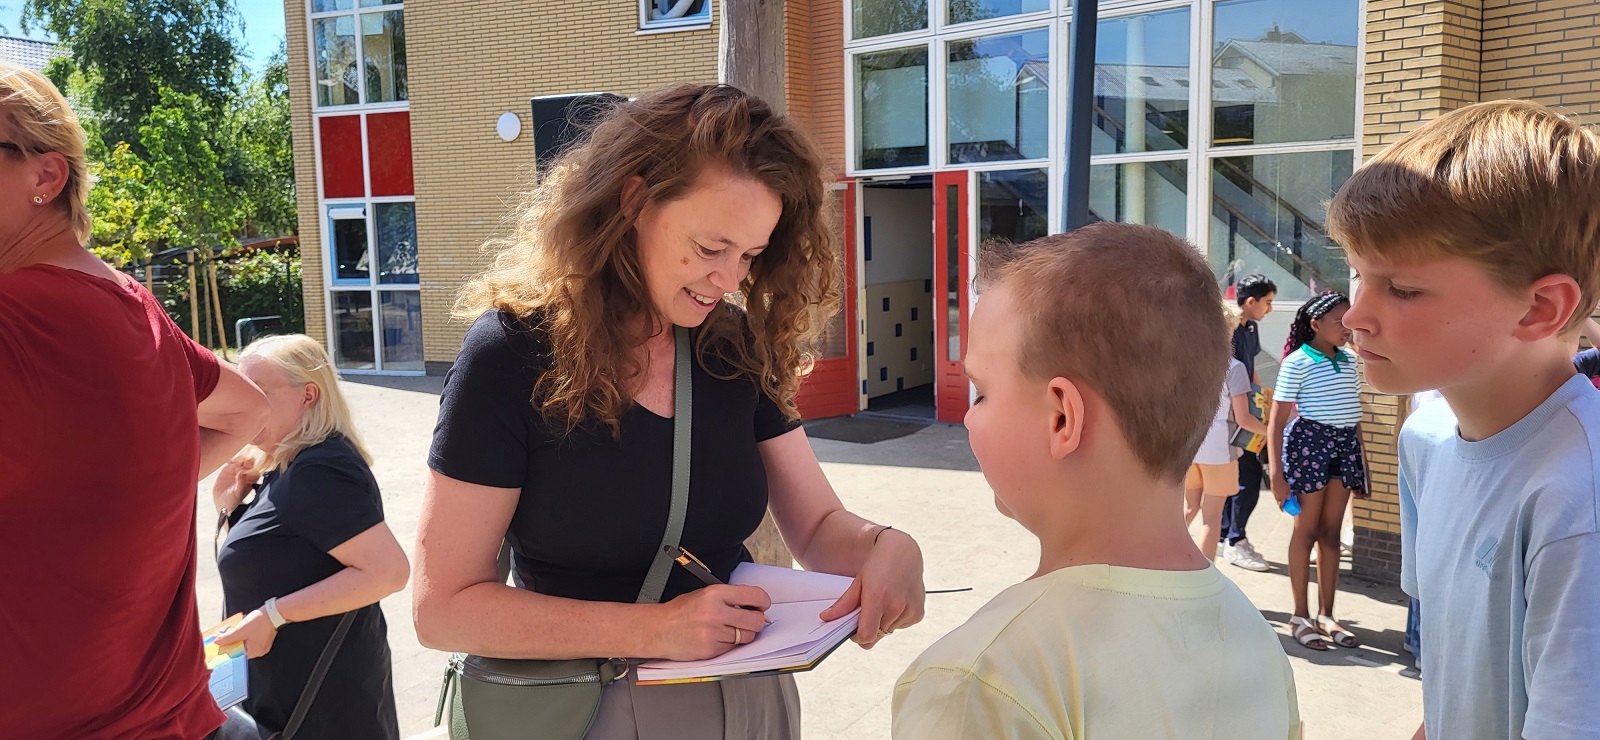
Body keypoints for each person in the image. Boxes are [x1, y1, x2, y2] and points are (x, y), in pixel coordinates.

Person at [412, 83, 926, 739]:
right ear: (633, 200)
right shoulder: (510, 353)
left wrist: (886, 546)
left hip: (749, 697)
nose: (730, 279)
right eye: (712, 248)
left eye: (750, 255)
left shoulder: (731, 346)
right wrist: (654, 629)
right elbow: (442, 609)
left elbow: (819, 523)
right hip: (581, 710)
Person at [893, 224, 1300, 740]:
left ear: (1062, 417)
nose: (970, 418)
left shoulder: (976, 680)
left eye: (982, 393)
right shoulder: (1255, 639)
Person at [0, 62, 269, 739]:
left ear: (46, 176)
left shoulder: (18, 319)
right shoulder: (134, 305)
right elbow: (250, 410)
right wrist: (135, 490)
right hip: (173, 715)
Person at [1327, 99, 1600, 739]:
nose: (1355, 315)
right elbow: (1455, 669)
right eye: (1357, 274)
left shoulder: (1578, 498)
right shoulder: (1423, 440)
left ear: (1539, 308)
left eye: (1402, 289)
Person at [210, 335, 409, 739]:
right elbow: (270, 561)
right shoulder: (286, 466)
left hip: (321, 710)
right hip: (286, 699)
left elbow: (388, 572)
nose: (248, 406)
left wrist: (274, 615)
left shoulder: (321, 469)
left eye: (261, 393)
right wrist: (229, 507)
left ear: (309, 395)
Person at [1267, 290, 1366, 652]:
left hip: (1344, 448)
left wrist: (1363, 464)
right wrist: (1276, 475)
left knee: (1331, 533)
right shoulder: (1297, 362)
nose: (1346, 327)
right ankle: (1299, 615)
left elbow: (1354, 416)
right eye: (1338, 321)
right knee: (1305, 530)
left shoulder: (1351, 360)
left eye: (1349, 319)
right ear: (1315, 325)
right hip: (1309, 445)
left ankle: (1327, 614)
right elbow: (1276, 421)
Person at [1186, 300, 1271, 562]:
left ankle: (1153, 559)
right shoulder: (1234, 368)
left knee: (1188, 510)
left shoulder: (1187, 363)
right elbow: (1244, 419)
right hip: (1220, 451)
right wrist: (1269, 430)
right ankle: (1204, 581)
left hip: (1189, 447)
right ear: (1229, 328)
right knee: (1212, 521)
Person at [1221, 273, 1277, 572]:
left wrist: (1261, 402)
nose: (1270, 309)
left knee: (1238, 477)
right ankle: (1235, 539)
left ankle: (1225, 535)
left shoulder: (1251, 327)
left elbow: (1251, 371)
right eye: (1267, 303)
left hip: (1245, 408)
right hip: (1230, 417)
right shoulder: (1228, 331)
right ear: (1251, 301)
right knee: (1247, 479)